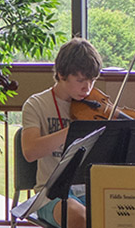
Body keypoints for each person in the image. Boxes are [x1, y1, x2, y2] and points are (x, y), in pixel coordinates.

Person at [20, 38, 103, 228]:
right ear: (61, 74)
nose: (87, 88)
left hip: (91, 190)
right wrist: (73, 131)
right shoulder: (36, 104)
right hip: (51, 194)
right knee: (80, 218)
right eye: (80, 80)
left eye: (92, 80)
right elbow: (30, 151)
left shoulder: (95, 107)